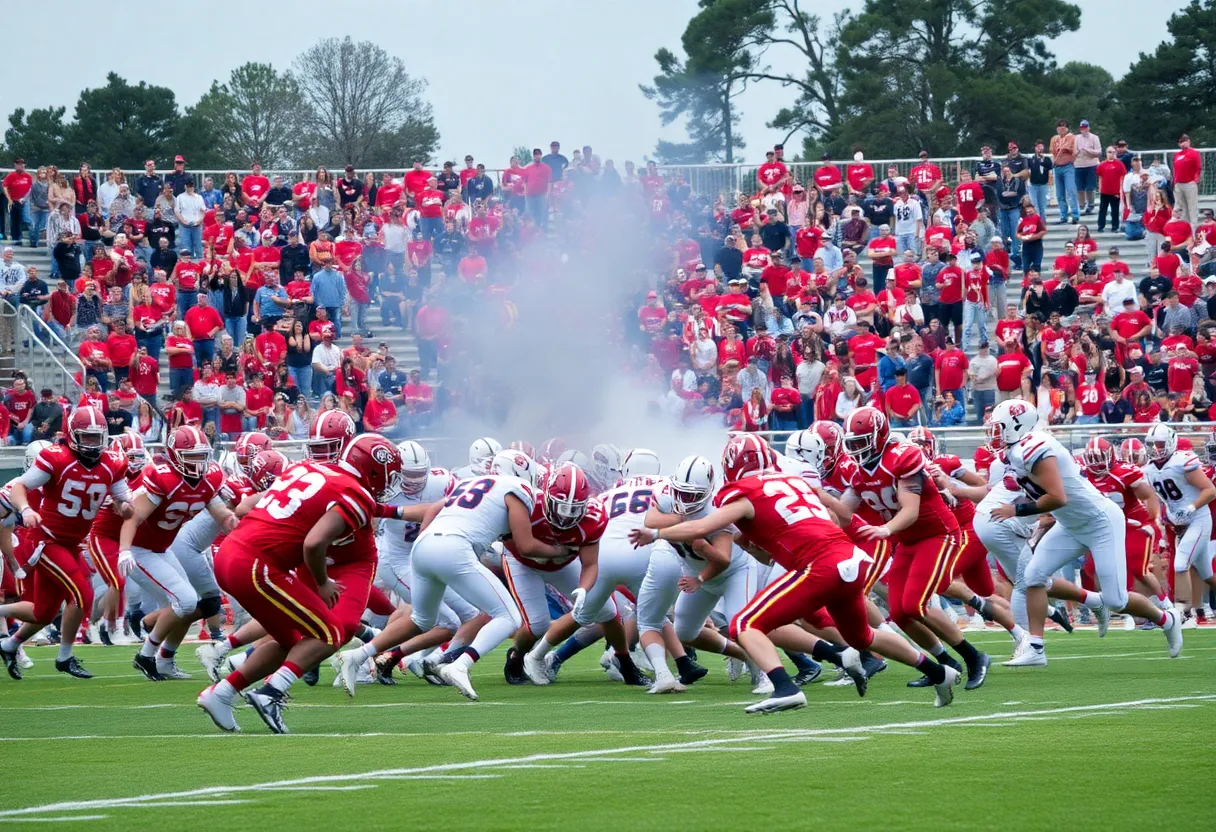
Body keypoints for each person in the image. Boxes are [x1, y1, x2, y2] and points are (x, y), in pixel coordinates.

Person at [199, 435, 403, 733]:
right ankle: (270, 693)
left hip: (233, 553)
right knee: (332, 633)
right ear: (374, 469)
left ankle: (222, 693)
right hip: (259, 564)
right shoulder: (354, 492)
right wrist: (322, 582)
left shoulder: (307, 467)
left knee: (293, 641)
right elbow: (314, 542)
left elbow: (251, 506)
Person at [990, 400, 1181, 666]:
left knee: (1116, 599)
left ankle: (1166, 619)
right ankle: (1036, 647)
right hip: (1070, 525)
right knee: (1033, 576)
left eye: (998, 427)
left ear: (1016, 425)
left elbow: (1058, 497)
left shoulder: (1034, 448)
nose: (994, 433)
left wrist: (1016, 511)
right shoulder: (1016, 452)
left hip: (1100, 523)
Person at [1, 408, 132, 680]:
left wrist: (124, 507)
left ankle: (8, 644)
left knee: (43, 613)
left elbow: (122, 499)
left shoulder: (113, 462)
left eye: (98, 438)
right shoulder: (56, 458)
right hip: (46, 540)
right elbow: (17, 488)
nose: (94, 444)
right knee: (81, 593)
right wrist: (25, 510)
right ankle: (65, 656)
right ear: (73, 436)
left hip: (72, 543)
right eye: (88, 438)